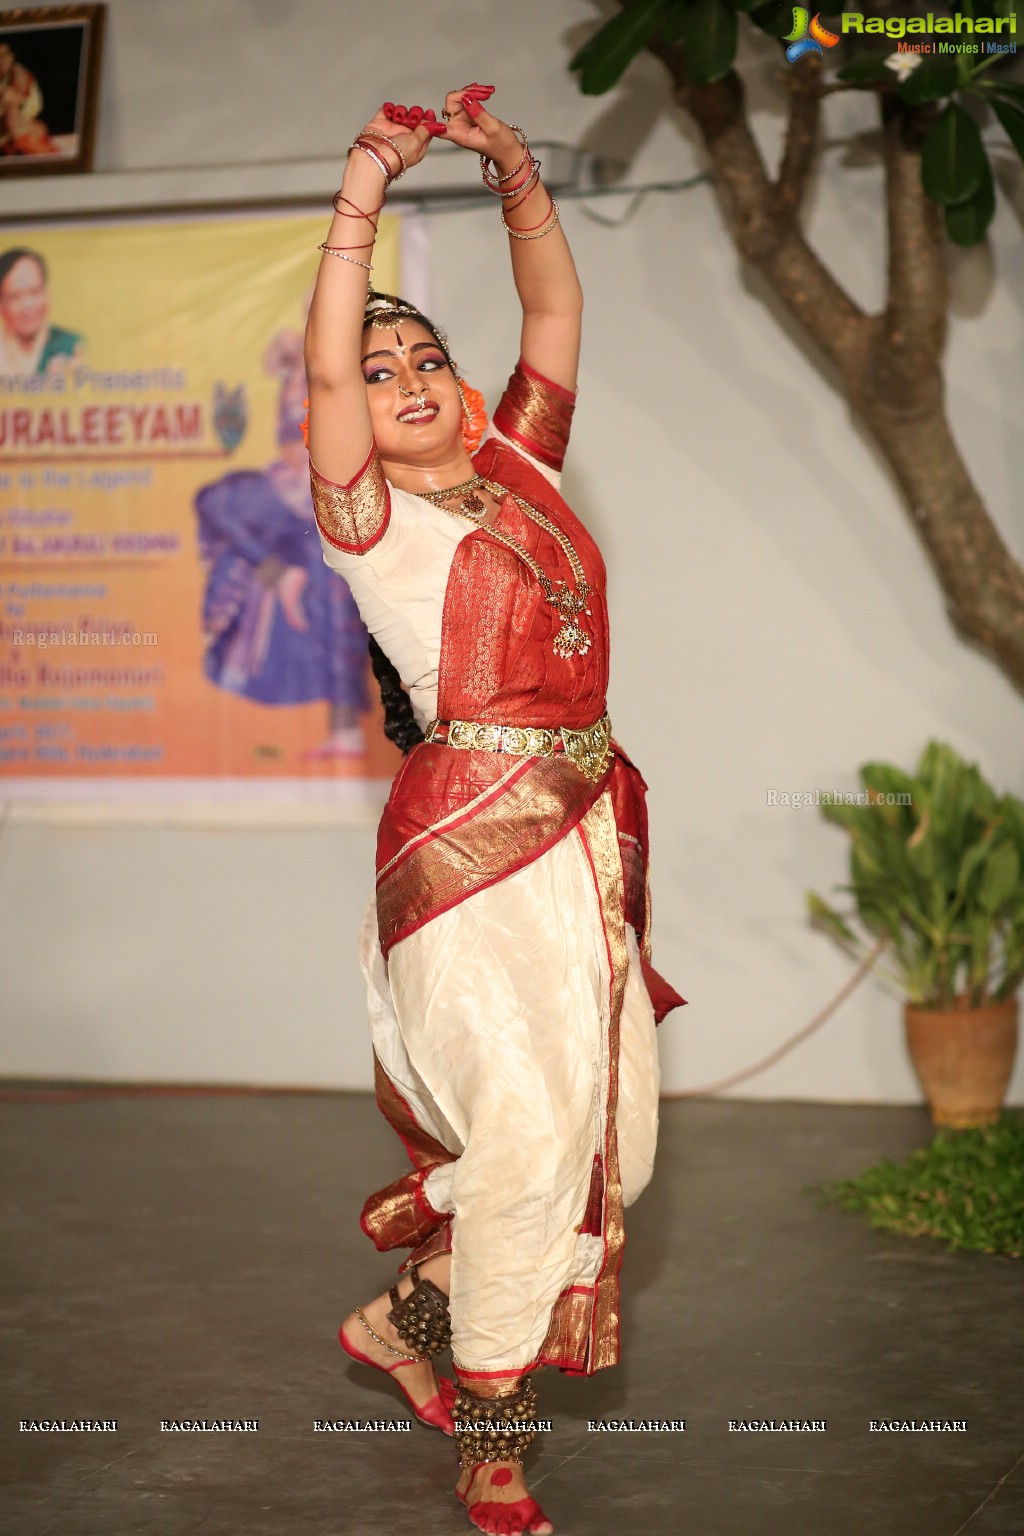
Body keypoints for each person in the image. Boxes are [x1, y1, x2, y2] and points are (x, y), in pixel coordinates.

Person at [304, 84, 684, 1535]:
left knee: (613, 1148)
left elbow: (558, 312)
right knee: (527, 1132)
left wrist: (517, 170)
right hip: (465, 847)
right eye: (377, 362)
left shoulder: (520, 463)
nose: (399, 374)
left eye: (425, 356)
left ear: (467, 394)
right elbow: (329, 381)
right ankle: (492, 1436)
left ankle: (409, 1315)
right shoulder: (368, 520)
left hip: (582, 835)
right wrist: (367, 185)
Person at [194, 328, 369, 757]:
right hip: (288, 512)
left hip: (331, 514)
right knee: (221, 502)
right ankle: (278, 574)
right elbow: (217, 501)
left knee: (332, 571)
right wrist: (274, 568)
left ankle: (344, 726)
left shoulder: (355, 376)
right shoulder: (268, 484)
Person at [0, 248, 81, 378]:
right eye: (15, 297)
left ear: (47, 294)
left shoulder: (72, 346)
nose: (27, 306)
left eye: (35, 292)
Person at [0, 42, 58, 158]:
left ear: (11, 57)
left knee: (35, 134)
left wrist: (15, 109)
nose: (1, 60)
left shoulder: (22, 75)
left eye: (4, 55)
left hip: (18, 126)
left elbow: (35, 105)